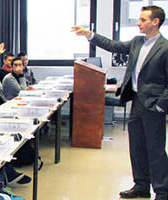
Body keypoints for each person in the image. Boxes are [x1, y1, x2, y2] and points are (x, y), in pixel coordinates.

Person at [72, 5, 168, 200]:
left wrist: (161, 104)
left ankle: (162, 191)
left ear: (155, 22)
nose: (139, 23)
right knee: (137, 147)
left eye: (143, 20)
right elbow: (113, 45)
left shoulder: (165, 48)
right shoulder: (137, 42)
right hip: (136, 101)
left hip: (154, 105)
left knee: (155, 150)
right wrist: (89, 34)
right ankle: (141, 185)